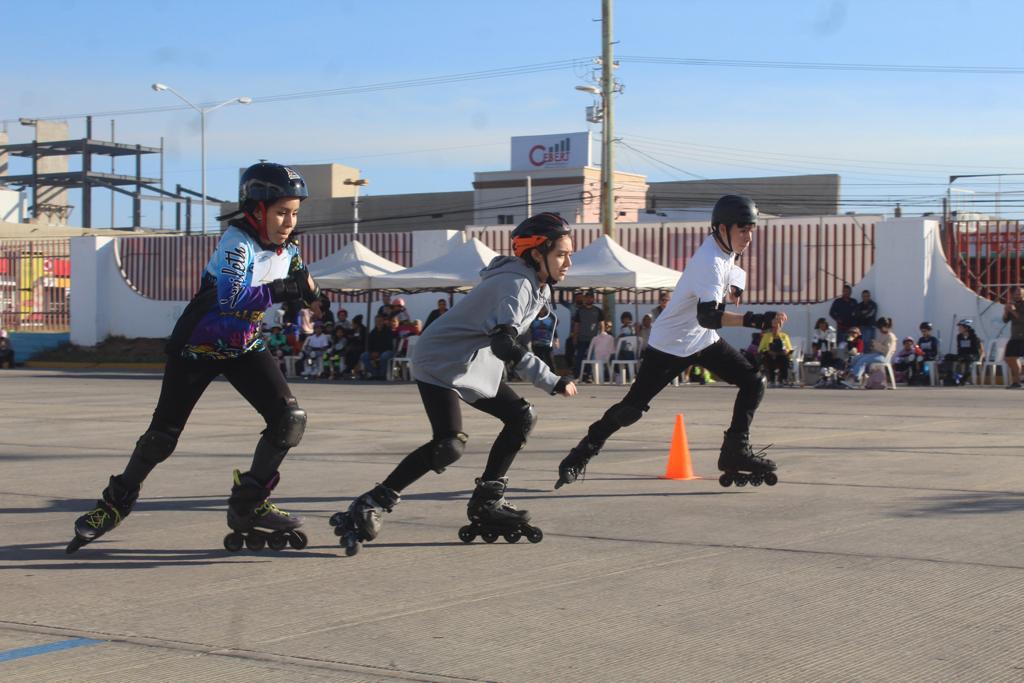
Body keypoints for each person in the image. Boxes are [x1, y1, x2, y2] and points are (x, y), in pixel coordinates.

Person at [66, 162, 318, 554]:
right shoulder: (237, 243)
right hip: (196, 348)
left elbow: (301, 281)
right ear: (256, 210)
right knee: (161, 438)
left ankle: (248, 505)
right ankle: (112, 506)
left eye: (295, 213)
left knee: (289, 419)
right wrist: (290, 288)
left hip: (244, 347)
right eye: (281, 212)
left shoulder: (290, 249)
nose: (288, 221)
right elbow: (231, 298)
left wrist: (313, 297)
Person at [329, 212, 577, 555]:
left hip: (471, 361)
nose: (568, 262)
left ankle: (487, 501)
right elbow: (506, 344)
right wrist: (550, 379)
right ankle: (372, 503)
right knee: (449, 444)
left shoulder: (535, 284)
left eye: (569, 254)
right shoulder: (516, 284)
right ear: (537, 254)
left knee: (521, 417)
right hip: (440, 360)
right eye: (562, 254)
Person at [555, 195, 783, 490]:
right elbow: (709, 317)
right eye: (743, 230)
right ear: (722, 229)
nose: (749, 237)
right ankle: (578, 455)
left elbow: (732, 267)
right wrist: (755, 319)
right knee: (631, 410)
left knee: (754, 383)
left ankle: (735, 451)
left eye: (752, 230)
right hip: (670, 345)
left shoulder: (725, 249)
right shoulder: (710, 262)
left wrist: (737, 283)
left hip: (701, 340)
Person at [842, 317, 897, 388]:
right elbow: (878, 348)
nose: (879, 329)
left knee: (863, 360)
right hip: (878, 354)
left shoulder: (891, 337)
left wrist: (876, 345)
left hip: (884, 357)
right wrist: (873, 346)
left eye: (880, 327)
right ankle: (852, 376)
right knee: (857, 358)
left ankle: (855, 380)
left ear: (885, 326)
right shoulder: (883, 335)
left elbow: (887, 351)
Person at [572, 290, 605, 380]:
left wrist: (601, 337)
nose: (589, 299)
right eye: (587, 297)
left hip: (594, 340)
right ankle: (577, 376)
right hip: (582, 338)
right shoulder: (580, 311)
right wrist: (575, 337)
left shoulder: (598, 311)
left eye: (591, 297)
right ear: (585, 298)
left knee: (591, 358)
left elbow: (602, 324)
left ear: (593, 298)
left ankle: (589, 376)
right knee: (579, 357)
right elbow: (576, 325)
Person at [758, 317, 793, 386]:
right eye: (773, 327)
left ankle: (782, 379)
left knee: (785, 359)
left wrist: (786, 352)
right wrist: (768, 351)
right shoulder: (766, 336)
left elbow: (790, 349)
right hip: (770, 355)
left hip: (781, 355)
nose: (775, 328)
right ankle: (772, 380)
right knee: (769, 359)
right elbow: (760, 349)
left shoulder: (784, 336)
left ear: (780, 327)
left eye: (777, 327)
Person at [360, 315, 395, 380]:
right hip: (375, 352)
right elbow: (369, 345)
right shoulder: (373, 332)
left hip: (387, 351)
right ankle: (375, 374)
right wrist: (371, 352)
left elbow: (389, 345)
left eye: (380, 321)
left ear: (383, 322)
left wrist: (379, 352)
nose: (378, 323)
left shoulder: (388, 331)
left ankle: (382, 375)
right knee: (364, 356)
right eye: (376, 321)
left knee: (384, 356)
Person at [1002, 286, 1024, 388]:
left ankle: (1017, 381)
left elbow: (1022, 319)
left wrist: (1012, 311)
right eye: (1016, 294)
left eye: (1020, 293)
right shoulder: (1013, 304)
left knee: (1014, 358)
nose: (1018, 295)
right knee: (1009, 358)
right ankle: (1017, 381)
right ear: (1012, 294)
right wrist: (1006, 310)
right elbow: (1005, 320)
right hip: (1015, 336)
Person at [951, 319, 983, 385]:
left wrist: (980, 360)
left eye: (960, 327)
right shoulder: (959, 337)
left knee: (968, 358)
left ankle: (965, 377)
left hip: (973, 355)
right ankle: (951, 376)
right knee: (948, 356)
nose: (959, 329)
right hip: (963, 355)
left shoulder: (974, 337)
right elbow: (959, 349)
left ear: (966, 328)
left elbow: (981, 351)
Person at [529, 306, 558, 371]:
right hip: (536, 344)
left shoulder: (550, 319)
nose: (540, 311)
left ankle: (554, 375)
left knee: (550, 361)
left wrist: (556, 340)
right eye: (539, 309)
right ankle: (539, 376)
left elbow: (554, 330)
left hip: (547, 344)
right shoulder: (533, 319)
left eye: (542, 309)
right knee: (538, 361)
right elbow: (530, 330)